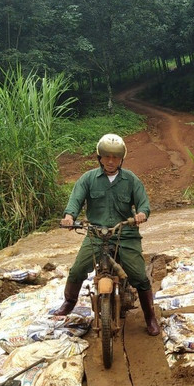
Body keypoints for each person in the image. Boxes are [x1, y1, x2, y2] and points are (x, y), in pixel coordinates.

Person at [51, 133, 160, 336]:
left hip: (124, 233)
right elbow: (75, 201)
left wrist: (142, 214)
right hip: (95, 233)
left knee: (139, 276)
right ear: (99, 158)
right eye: (106, 157)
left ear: (121, 159)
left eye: (115, 158)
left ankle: (150, 317)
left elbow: (143, 203)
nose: (110, 161)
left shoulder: (131, 180)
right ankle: (69, 302)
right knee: (77, 270)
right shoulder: (88, 179)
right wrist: (69, 216)